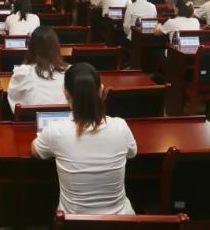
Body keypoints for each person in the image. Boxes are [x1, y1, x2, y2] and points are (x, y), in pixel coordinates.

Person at [32, 63, 137, 215]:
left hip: (74, 223)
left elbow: (35, 151)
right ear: (101, 91)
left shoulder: (55, 130)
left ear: (65, 93)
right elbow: (132, 153)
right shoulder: (120, 126)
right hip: (121, 222)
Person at [7, 26, 68, 112]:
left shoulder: (24, 73)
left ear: (31, 47)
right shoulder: (70, 72)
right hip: (66, 119)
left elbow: (16, 107)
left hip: (31, 119)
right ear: (56, 46)